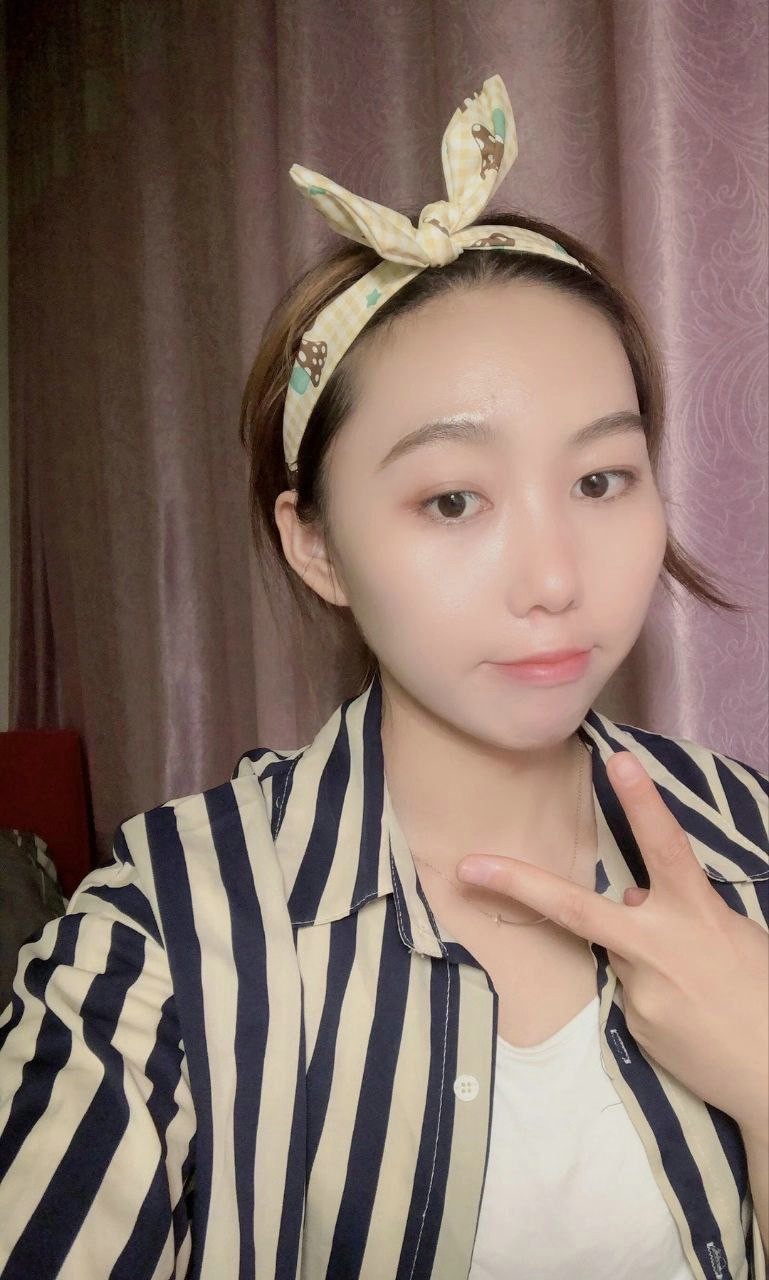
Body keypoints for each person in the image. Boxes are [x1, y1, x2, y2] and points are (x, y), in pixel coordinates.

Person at [0, 74, 767, 1280]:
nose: (554, 578)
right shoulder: (162, 941)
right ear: (315, 544)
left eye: (600, 479)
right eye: (452, 499)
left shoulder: (749, 837)